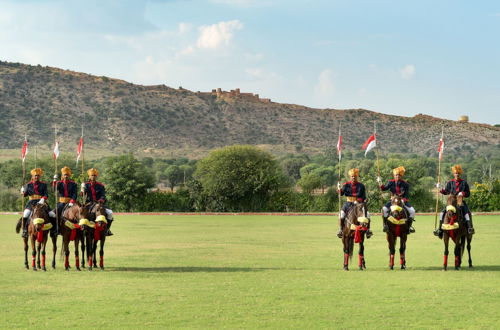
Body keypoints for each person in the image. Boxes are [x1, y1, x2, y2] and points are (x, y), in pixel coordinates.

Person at [434, 165, 474, 238]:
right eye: (456, 173)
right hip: (451, 202)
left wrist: (463, 193)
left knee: (466, 213)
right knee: (442, 213)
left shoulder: (464, 183)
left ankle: (469, 228)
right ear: (454, 174)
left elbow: (468, 193)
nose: (457, 174)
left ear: (460, 174)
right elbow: (446, 192)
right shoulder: (450, 182)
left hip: (460, 202)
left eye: (458, 173)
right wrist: (439, 188)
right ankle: (440, 230)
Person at [15, 168, 57, 237]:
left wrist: (43, 199)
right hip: (31, 203)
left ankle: (53, 230)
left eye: (38, 175)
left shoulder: (44, 185)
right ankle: (25, 230)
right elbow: (25, 195)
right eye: (35, 175)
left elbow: (46, 194)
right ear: (33, 176)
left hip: (42, 202)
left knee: (52, 214)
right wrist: (22, 192)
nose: (36, 177)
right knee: (26, 214)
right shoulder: (28, 185)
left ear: (40, 176)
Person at [378, 166, 416, 234]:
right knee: (383, 210)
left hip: (402, 201)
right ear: (394, 175)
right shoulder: (390, 182)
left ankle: (409, 226)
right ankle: (385, 225)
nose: (397, 176)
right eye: (396, 175)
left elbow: (406, 195)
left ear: (401, 176)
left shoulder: (405, 184)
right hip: (392, 201)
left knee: (412, 211)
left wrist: (403, 200)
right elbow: (383, 189)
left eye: (399, 175)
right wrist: (380, 183)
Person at [337, 168, 373, 239]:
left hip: (358, 204)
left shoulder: (361, 186)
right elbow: (341, 194)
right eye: (352, 176)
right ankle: (341, 230)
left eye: (355, 176)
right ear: (350, 177)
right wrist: (339, 188)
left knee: (368, 215)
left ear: (357, 177)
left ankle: (368, 230)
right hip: (348, 203)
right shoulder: (346, 185)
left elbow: (363, 196)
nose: (353, 177)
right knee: (341, 214)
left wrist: (359, 200)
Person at [81, 168, 114, 236]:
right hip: (89, 203)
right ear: (89, 176)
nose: (93, 177)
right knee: (81, 213)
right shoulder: (86, 185)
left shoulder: (100, 185)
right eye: (92, 175)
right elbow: (82, 195)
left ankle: (107, 229)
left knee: (110, 213)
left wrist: (100, 201)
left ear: (96, 176)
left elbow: (103, 195)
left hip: (99, 203)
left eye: (94, 175)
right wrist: (82, 189)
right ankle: (83, 229)